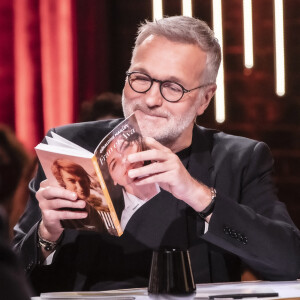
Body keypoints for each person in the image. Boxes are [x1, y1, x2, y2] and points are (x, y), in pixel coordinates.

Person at [13, 16, 300, 294]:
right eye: (141, 78)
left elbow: (290, 263)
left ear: (205, 98)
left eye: (173, 87)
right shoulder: (69, 144)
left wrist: (198, 194)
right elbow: (12, 273)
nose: (150, 99)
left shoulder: (239, 159)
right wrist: (45, 235)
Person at [102, 129, 160, 229]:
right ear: (113, 180)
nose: (124, 160)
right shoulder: (125, 222)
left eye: (125, 147)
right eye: (114, 164)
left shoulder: (168, 174)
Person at [50, 159, 110, 233]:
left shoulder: (92, 211)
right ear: (63, 183)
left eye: (83, 181)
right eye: (72, 181)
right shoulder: (58, 210)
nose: (80, 187)